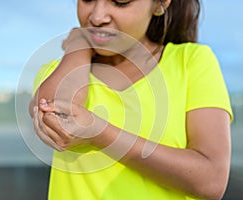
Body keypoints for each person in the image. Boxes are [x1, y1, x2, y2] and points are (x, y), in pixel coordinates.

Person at [29, 0, 233, 199]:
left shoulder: (192, 62)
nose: (98, 17)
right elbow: (57, 117)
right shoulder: (54, 72)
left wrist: (99, 134)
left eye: (120, 2)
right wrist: (78, 45)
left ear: (160, 4)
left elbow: (211, 181)